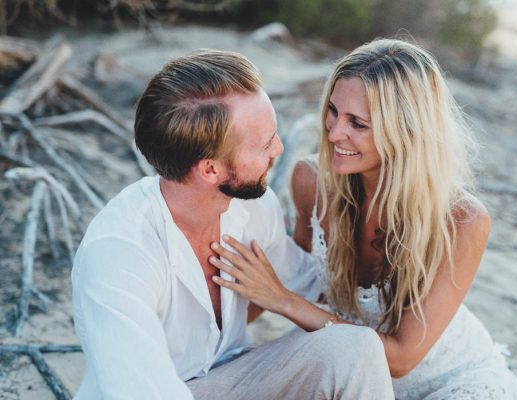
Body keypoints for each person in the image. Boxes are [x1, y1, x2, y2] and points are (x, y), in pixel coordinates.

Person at [208, 39, 517, 399]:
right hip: (349, 374)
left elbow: (402, 358)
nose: (333, 134)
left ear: (407, 131)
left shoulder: (462, 219)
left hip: (449, 379)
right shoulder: (312, 182)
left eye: (357, 123)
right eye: (332, 111)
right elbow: (295, 280)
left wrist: (283, 301)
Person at [71, 49, 395, 399]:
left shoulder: (252, 207)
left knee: (355, 349)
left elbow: (306, 279)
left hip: (231, 376)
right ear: (210, 170)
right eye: (265, 143)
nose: (279, 149)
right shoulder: (119, 253)